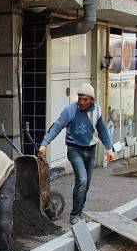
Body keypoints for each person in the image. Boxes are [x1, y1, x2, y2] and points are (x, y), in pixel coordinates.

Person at [38, 83, 114, 224]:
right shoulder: (70, 111)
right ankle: (75, 215)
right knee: (82, 180)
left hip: (91, 150)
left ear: (92, 100)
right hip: (74, 150)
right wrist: (44, 143)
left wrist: (109, 148)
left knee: (86, 184)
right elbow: (57, 126)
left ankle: (79, 210)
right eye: (80, 98)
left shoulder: (97, 110)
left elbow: (102, 129)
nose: (82, 102)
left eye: (85, 99)